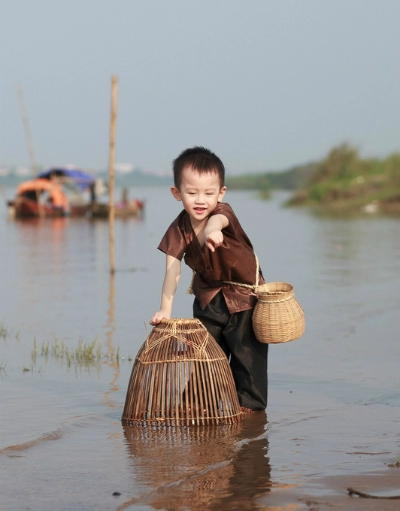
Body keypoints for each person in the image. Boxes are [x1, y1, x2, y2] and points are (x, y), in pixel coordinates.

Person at [150, 146, 268, 411]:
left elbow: (219, 223)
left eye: (208, 193)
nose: (200, 200)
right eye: (192, 193)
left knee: (246, 355)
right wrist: (165, 310)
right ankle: (196, 403)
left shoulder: (223, 213)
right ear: (177, 193)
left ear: (221, 193)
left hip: (245, 296)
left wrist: (213, 233)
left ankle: (250, 409)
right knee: (204, 352)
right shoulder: (178, 228)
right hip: (209, 296)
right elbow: (173, 270)